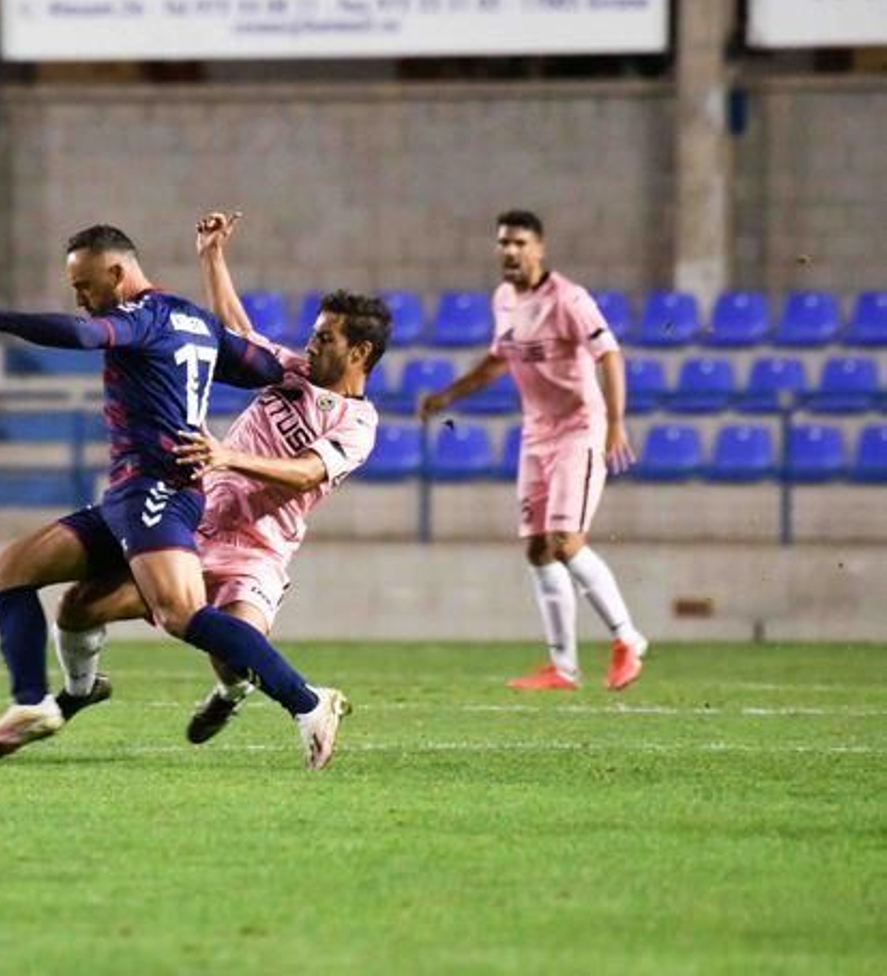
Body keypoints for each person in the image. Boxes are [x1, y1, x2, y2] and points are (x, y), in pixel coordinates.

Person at [0, 223, 351, 770]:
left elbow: (84, 337)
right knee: (11, 571)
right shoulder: (195, 322)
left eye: (85, 287)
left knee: (182, 613)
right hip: (126, 494)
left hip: (161, 488)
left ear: (117, 273)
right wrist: (298, 374)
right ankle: (38, 702)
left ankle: (308, 702)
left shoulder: (142, 318)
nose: (82, 301)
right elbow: (262, 368)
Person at [51, 211, 387, 744]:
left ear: (360, 352)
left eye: (325, 338)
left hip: (261, 549)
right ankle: (75, 692)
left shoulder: (359, 423)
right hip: (198, 525)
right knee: (85, 604)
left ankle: (231, 693)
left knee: (235, 653)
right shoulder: (294, 371)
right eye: (315, 333)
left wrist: (228, 457)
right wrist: (212, 255)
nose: (312, 343)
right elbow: (239, 334)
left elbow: (304, 474)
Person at [418, 209, 647, 691]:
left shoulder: (569, 299)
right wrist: (447, 397)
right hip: (536, 434)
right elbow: (497, 361)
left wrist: (617, 423)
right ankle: (563, 667)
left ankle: (628, 639)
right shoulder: (503, 299)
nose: (510, 251)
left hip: (579, 429)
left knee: (565, 540)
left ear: (540, 248)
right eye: (503, 243)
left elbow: (610, 353)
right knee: (538, 549)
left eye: (519, 243)